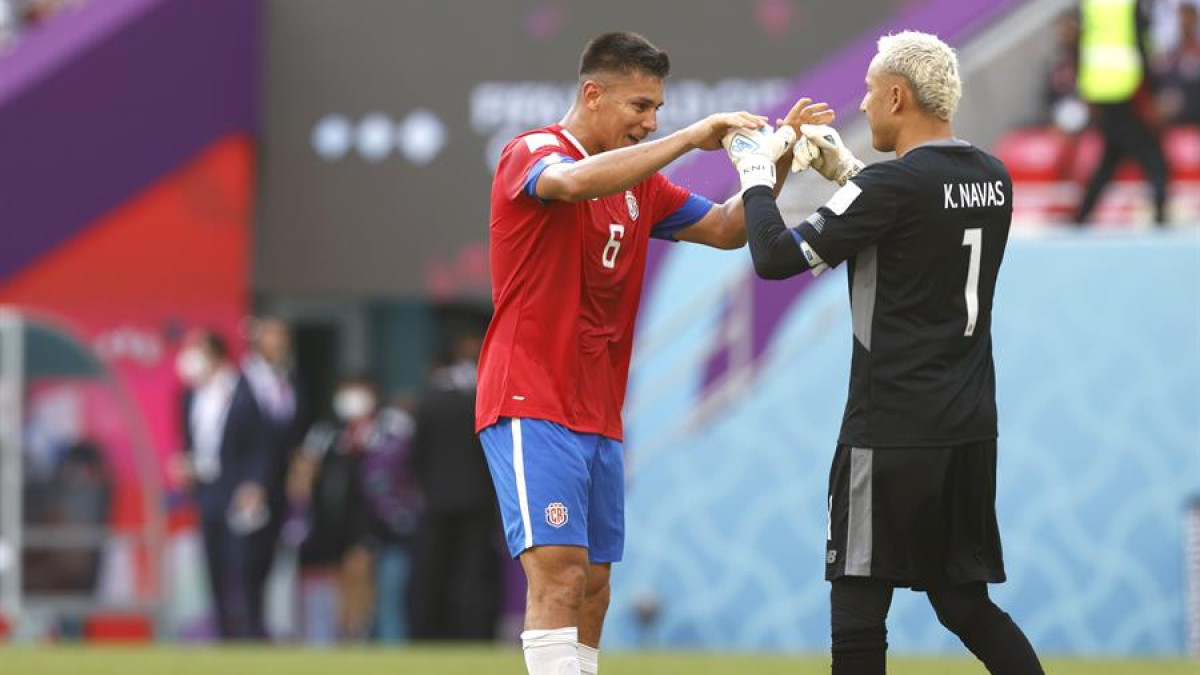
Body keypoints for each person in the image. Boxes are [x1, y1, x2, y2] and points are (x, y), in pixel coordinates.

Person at [473, 30, 833, 675]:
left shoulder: (641, 186)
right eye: (640, 106)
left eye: (659, 109)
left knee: (594, 586)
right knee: (558, 574)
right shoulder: (533, 151)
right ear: (593, 93)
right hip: (531, 399)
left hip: (600, 410)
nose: (651, 121)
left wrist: (780, 161)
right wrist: (692, 137)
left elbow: (727, 230)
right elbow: (570, 185)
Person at [722, 31, 1045, 674]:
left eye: (870, 93)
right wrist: (848, 174)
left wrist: (757, 178)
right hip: (969, 428)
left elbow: (774, 257)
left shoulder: (891, 188)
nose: (863, 107)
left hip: (890, 430)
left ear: (898, 96)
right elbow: (914, 221)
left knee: (859, 612)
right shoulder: (994, 177)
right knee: (964, 604)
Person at [175, 329, 271, 639]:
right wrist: (186, 464)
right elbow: (191, 440)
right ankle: (223, 630)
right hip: (207, 488)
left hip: (239, 489)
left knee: (242, 562)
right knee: (213, 561)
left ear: (215, 354)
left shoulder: (245, 390)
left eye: (197, 351)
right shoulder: (191, 395)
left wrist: (254, 483)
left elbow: (260, 443)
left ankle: (250, 630)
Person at [410, 333, 501, 641]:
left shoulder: (429, 399)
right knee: (473, 571)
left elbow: (417, 454)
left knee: (433, 570)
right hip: (476, 499)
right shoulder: (483, 397)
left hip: (436, 500)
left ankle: (430, 633)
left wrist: (426, 487)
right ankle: (474, 634)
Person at [1073, 0, 1169, 226]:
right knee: (1150, 154)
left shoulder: (1091, 4)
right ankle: (1160, 212)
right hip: (1126, 88)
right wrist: (1152, 93)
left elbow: (1083, 43)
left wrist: (1086, 88)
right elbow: (1140, 47)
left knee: (1112, 156)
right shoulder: (1128, 4)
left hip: (1100, 88)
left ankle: (1082, 216)